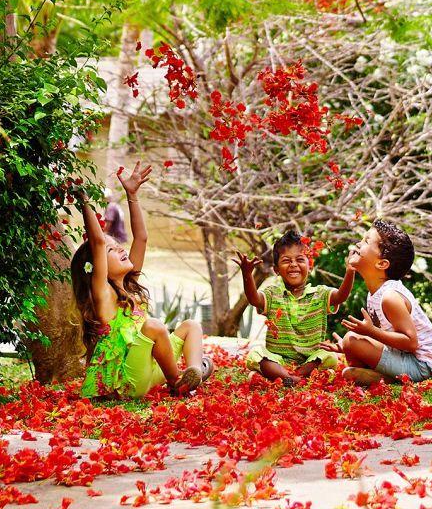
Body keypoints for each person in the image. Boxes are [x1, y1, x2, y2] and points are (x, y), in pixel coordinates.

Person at [70, 162, 209, 398]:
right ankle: (177, 382)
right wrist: (83, 199)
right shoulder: (103, 295)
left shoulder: (130, 286)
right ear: (96, 268)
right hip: (127, 380)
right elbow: (97, 241)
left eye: (118, 245)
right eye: (112, 250)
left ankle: (195, 370)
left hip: (150, 369)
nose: (121, 249)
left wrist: (132, 195)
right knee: (153, 325)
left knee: (191, 326)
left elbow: (141, 238)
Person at [323, 220, 432, 384]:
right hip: (405, 358)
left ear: (381, 263)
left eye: (366, 241)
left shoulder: (390, 297)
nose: (358, 244)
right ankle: (374, 376)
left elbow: (411, 342)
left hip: (422, 365)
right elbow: (388, 336)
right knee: (351, 340)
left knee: (352, 338)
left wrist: (370, 332)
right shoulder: (375, 293)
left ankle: (385, 379)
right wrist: (349, 346)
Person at [235, 230, 357, 386]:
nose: (293, 264)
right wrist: (247, 274)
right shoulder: (272, 294)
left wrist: (350, 271)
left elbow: (341, 296)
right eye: (286, 260)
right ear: (276, 270)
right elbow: (253, 299)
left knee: (329, 357)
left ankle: (288, 378)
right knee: (255, 355)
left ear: (310, 265)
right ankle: (293, 378)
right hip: (277, 360)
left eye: (300, 259)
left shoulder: (320, 294)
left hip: (309, 360)